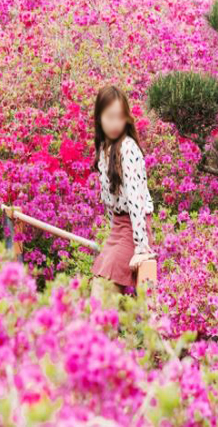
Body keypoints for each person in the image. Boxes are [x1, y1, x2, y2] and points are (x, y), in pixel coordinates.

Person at [90, 85, 156, 298]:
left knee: (101, 292)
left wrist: (141, 247)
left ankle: (104, 332)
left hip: (133, 229)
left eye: (120, 117)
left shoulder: (127, 148)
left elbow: (136, 200)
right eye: (109, 117)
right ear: (99, 117)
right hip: (118, 230)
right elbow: (110, 203)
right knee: (98, 288)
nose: (115, 123)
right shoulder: (103, 150)